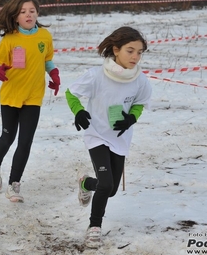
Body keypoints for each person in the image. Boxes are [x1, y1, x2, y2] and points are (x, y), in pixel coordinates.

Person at [65, 26, 152, 248]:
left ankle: (85, 183)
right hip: (97, 135)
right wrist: (79, 111)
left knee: (110, 189)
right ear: (115, 50)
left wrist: (131, 118)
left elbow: (140, 103)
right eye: (130, 51)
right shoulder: (96, 75)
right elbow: (71, 92)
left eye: (139, 52)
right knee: (105, 183)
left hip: (119, 139)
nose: (135, 57)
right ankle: (94, 228)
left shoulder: (140, 81)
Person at [0, 0, 60, 203]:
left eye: (32, 11)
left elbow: (48, 60)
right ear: (16, 17)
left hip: (33, 96)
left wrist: (54, 74)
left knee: (25, 142)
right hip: (11, 95)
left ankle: (14, 185)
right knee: (8, 137)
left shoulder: (44, 36)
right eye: (23, 12)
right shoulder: (10, 39)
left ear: (38, 13)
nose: (28, 14)